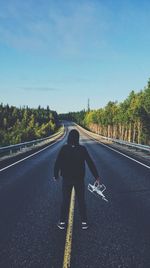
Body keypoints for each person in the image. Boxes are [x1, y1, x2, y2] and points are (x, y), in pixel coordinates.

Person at [53, 129, 100, 230]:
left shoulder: (64, 149)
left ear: (69, 137)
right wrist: (96, 176)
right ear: (78, 138)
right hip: (79, 179)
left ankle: (62, 222)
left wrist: (55, 175)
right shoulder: (82, 149)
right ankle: (84, 222)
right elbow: (90, 163)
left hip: (66, 179)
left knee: (65, 200)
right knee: (81, 200)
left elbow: (58, 162)